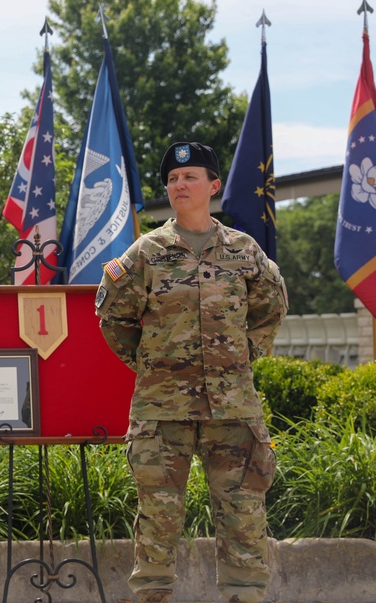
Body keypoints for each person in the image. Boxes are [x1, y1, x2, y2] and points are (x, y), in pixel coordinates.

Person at [94, 141, 287, 603]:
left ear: (213, 186)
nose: (180, 185)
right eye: (173, 180)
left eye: (190, 177)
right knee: (158, 519)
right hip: (163, 411)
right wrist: (153, 365)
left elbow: (270, 310)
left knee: (243, 514)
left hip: (234, 410)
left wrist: (239, 361)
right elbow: (113, 319)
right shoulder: (146, 253)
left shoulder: (244, 251)